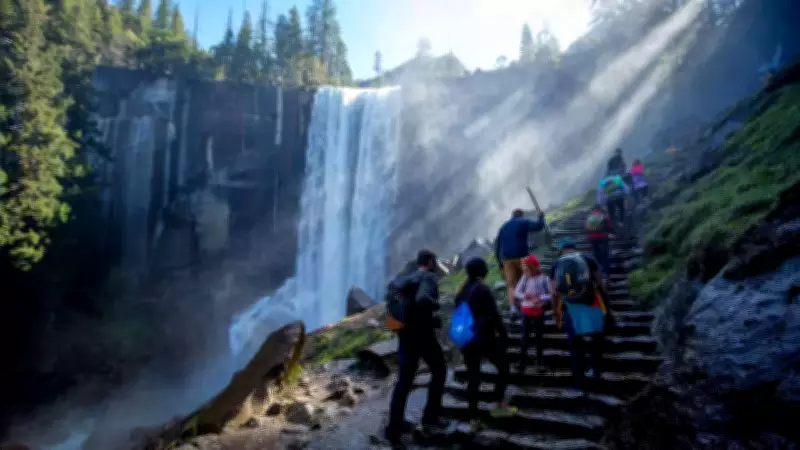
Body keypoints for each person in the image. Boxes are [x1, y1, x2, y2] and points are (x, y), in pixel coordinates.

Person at [385, 249, 448, 445]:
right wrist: (436, 307)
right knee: (440, 370)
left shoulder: (406, 279)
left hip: (405, 336)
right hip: (423, 337)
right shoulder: (428, 278)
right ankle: (430, 417)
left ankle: (394, 428)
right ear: (430, 262)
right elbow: (423, 300)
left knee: (403, 382)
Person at [455, 257, 517, 432]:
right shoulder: (482, 289)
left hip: (467, 341)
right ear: (483, 271)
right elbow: (494, 314)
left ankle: (473, 419)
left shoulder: (462, 291)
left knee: (473, 379)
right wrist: (504, 336)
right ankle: (498, 404)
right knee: (504, 367)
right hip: (484, 338)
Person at [550, 238, 611, 393]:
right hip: (592, 304)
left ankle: (579, 382)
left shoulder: (557, 264)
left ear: (560, 250)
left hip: (570, 308)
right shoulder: (588, 258)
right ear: (574, 247)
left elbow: (553, 292)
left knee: (575, 344)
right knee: (596, 339)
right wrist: (607, 305)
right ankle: (595, 373)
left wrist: (555, 313)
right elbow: (601, 282)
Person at [494, 209, 547, 311]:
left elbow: (497, 246)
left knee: (511, 284)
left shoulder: (503, 227)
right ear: (521, 215)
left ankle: (513, 308)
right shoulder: (523, 222)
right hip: (522, 256)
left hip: (507, 259)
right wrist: (541, 216)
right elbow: (538, 226)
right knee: (529, 279)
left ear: (512, 215)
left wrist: (500, 263)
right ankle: (532, 303)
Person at [512, 254, 552, 374]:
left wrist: (540, 298)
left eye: (527, 268)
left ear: (533, 267)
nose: (525, 270)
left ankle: (540, 362)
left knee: (538, 337)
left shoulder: (544, 279)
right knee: (525, 337)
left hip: (538, 311)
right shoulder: (525, 278)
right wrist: (525, 296)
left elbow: (550, 294)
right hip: (526, 310)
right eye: (524, 268)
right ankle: (522, 362)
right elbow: (516, 292)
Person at [585, 204, 614, 279]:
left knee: (596, 255)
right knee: (605, 255)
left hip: (592, 238)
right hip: (603, 237)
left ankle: (598, 273)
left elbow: (586, 228)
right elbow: (610, 226)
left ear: (593, 209)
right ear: (600, 209)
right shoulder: (604, 216)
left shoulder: (589, 217)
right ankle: (606, 274)